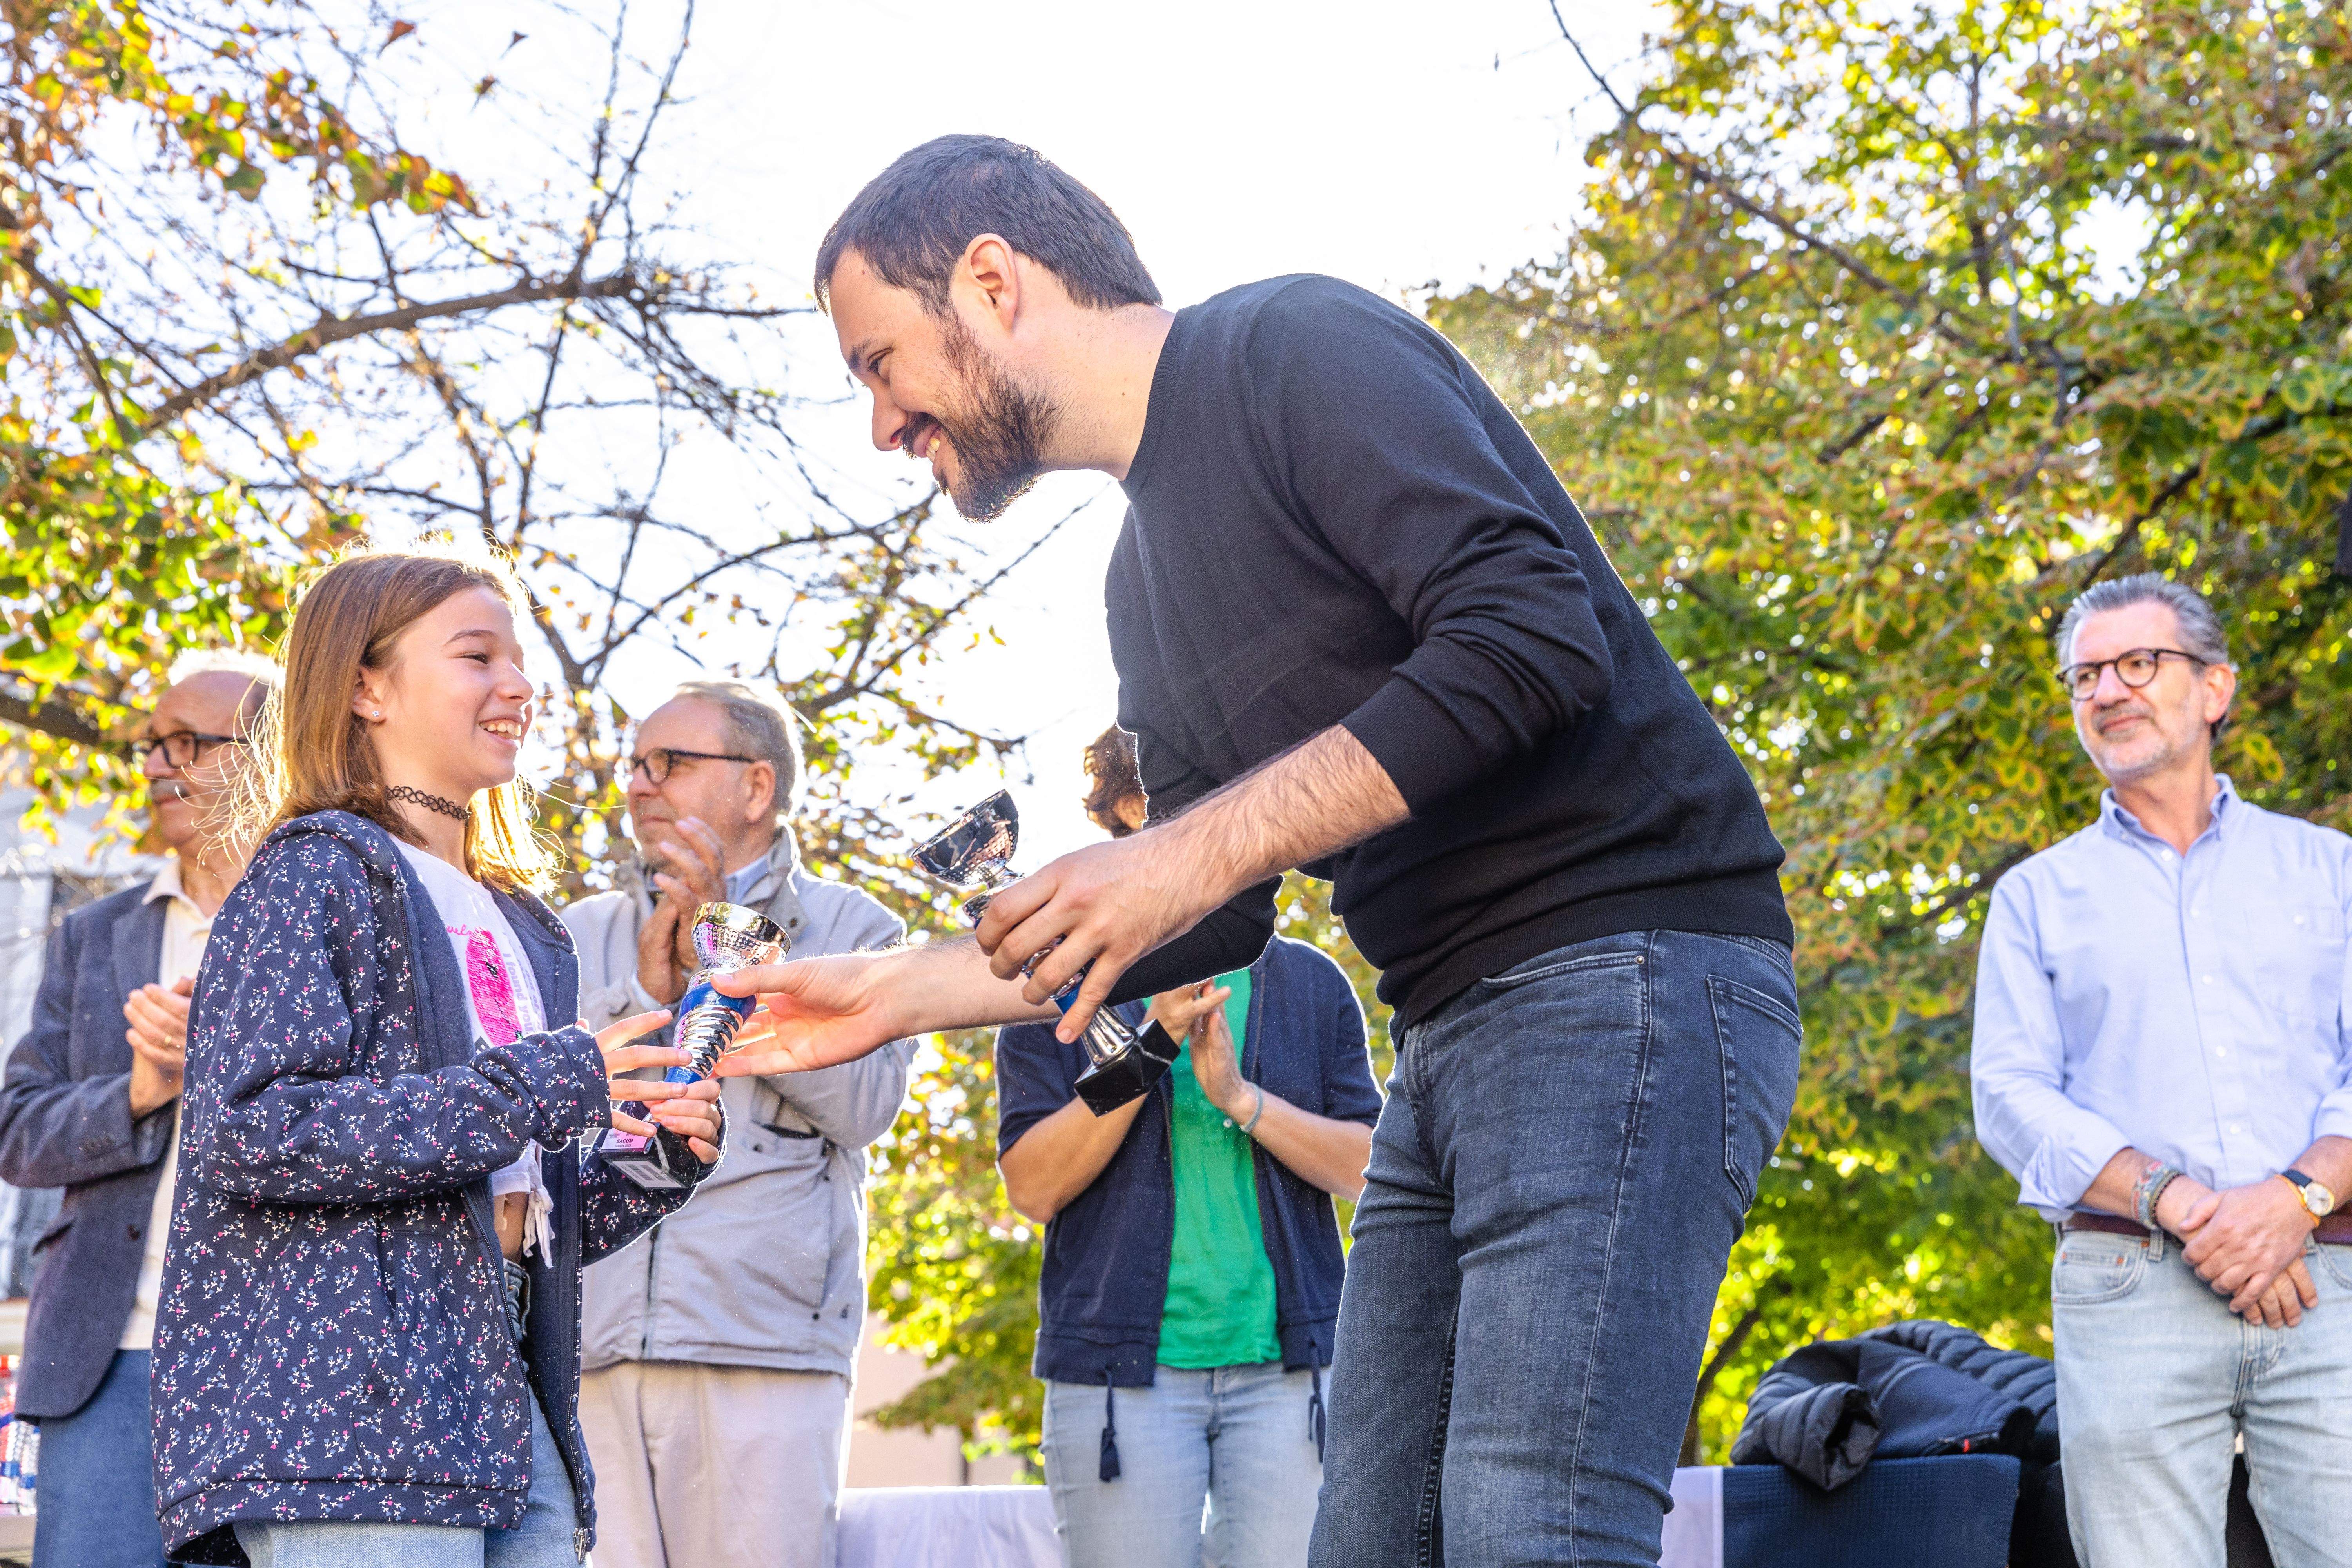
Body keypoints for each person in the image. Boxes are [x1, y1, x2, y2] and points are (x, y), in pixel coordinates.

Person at [715, 135, 1803, 1568]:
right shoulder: (1139, 580)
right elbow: (1216, 919)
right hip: (1453, 1034)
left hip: (1629, 968)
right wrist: (896, 993)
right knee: (1373, 1544)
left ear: (989, 281)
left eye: (877, 361)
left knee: (1529, 1528)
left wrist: (1180, 855)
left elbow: (1534, 636)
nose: (879, 422)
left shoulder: (1293, 344)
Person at [146, 548, 725, 1566]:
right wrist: (548, 1083)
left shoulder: (526, 925)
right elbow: (256, 1134)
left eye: (520, 659)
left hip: (502, 1387)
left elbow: (501, 1206)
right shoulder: (311, 878)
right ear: (367, 687)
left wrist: (655, 1159)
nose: (519, 686)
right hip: (350, 1415)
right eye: (477, 656)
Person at [1972, 573, 2352, 1566]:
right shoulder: (2034, 898)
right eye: (2085, 675)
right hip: (2130, 1281)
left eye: (2140, 662)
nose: (2108, 690)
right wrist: (2188, 1203)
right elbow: (2009, 1098)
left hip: (2333, 1278)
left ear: (2216, 687)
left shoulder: (2333, 870)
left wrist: (2294, 1200)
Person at [996, 728, 1378, 1567]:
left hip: (1292, 1374)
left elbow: (1367, 1168)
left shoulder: (1313, 984)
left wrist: (1242, 1100)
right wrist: (1150, 1050)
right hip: (1118, 1378)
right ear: (1124, 817)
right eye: (1163, 814)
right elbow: (1032, 1185)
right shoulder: (1051, 984)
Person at [563, 680, 913, 1568]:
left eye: (669, 762)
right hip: (592, 1351)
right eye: (634, 764)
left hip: (765, 1350)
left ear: (757, 788)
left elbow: (866, 1107)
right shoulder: (580, 931)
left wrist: (737, 949)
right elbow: (548, 1118)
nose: (639, 785)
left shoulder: (857, 926)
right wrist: (647, 996)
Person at [0, 651, 275, 1568]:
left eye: (189, 743)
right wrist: (141, 1089)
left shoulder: (322, 920)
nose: (158, 765)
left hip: (281, 1361)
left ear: (272, 753)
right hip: (111, 1358)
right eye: (153, 745)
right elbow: (18, 1128)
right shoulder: (94, 932)